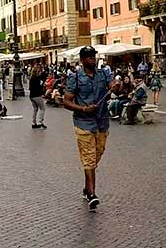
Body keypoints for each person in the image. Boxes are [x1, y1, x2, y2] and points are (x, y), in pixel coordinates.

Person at [63, 46, 114, 211]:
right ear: (82, 60)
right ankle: (92, 194)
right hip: (83, 122)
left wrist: (117, 87)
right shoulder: (75, 78)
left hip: (101, 121)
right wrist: (83, 109)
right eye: (89, 57)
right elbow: (67, 101)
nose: (93, 59)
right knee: (89, 157)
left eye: (94, 56)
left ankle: (86, 188)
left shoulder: (103, 75)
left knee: (97, 153)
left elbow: (113, 87)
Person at [28, 65, 47, 129]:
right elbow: (39, 86)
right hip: (37, 95)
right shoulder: (37, 78)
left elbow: (30, 88)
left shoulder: (31, 78)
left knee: (35, 109)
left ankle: (33, 123)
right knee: (42, 108)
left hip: (31, 96)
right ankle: (40, 123)